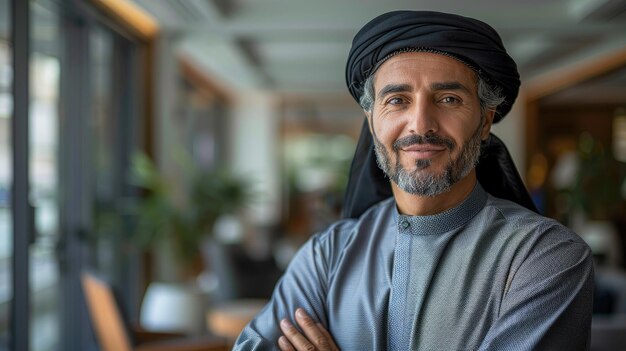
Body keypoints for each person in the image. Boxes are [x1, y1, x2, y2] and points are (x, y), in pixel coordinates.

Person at [233, 10, 593, 351]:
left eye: (449, 98)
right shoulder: (327, 255)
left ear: (485, 122)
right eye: (398, 100)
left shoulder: (545, 256)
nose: (421, 124)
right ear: (372, 120)